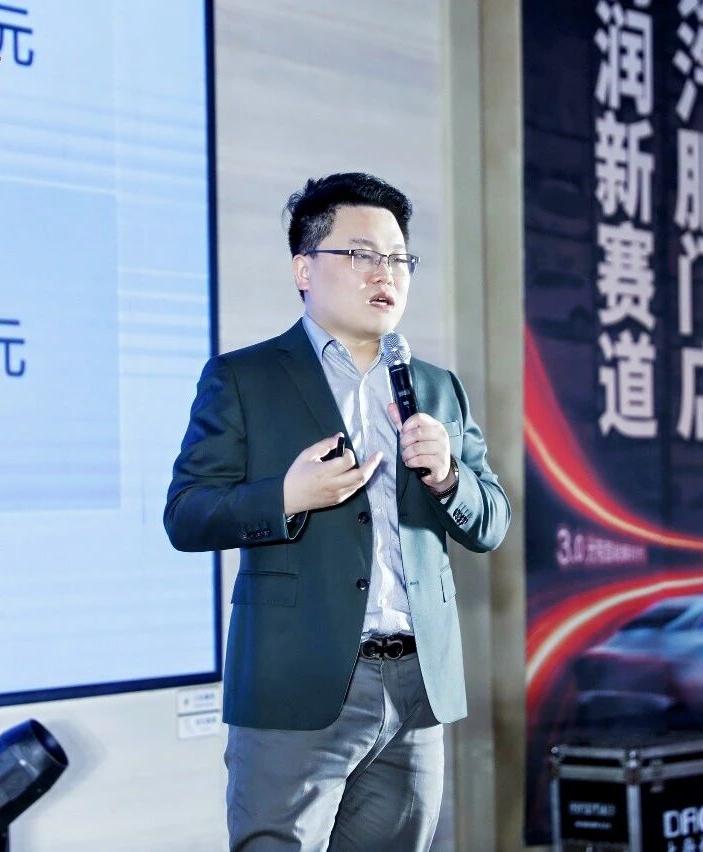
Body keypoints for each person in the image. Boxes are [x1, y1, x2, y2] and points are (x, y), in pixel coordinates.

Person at [165, 172, 511, 850]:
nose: (386, 274)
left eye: (398, 258)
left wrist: (449, 478)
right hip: (297, 682)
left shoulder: (437, 388)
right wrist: (285, 497)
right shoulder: (245, 378)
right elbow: (186, 514)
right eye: (361, 255)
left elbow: (493, 522)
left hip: (416, 686)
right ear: (304, 269)